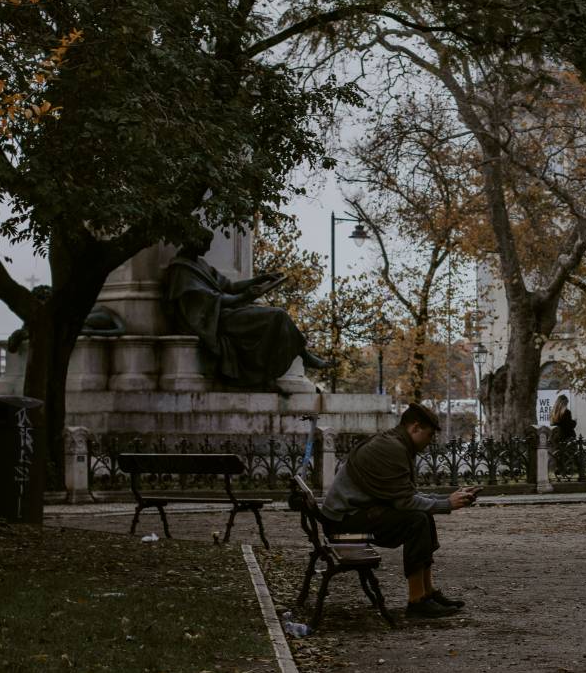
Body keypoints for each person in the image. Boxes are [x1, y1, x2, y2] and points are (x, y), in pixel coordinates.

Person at [320, 403, 479, 619]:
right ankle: (417, 601)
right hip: (343, 525)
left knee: (423, 516)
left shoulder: (396, 443)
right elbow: (405, 502)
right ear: (415, 428)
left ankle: (428, 592)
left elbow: (406, 495)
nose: (431, 441)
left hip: (352, 516)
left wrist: (447, 499)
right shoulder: (392, 448)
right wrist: (447, 503)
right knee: (416, 520)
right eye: (429, 435)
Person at [163, 228, 329, 390]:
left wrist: (261, 279)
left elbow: (231, 286)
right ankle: (301, 356)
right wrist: (244, 297)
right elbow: (207, 301)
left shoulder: (201, 265)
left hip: (225, 313)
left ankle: (296, 358)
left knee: (277, 316)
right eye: (206, 243)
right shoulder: (181, 269)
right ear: (195, 242)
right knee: (277, 315)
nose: (209, 248)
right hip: (213, 320)